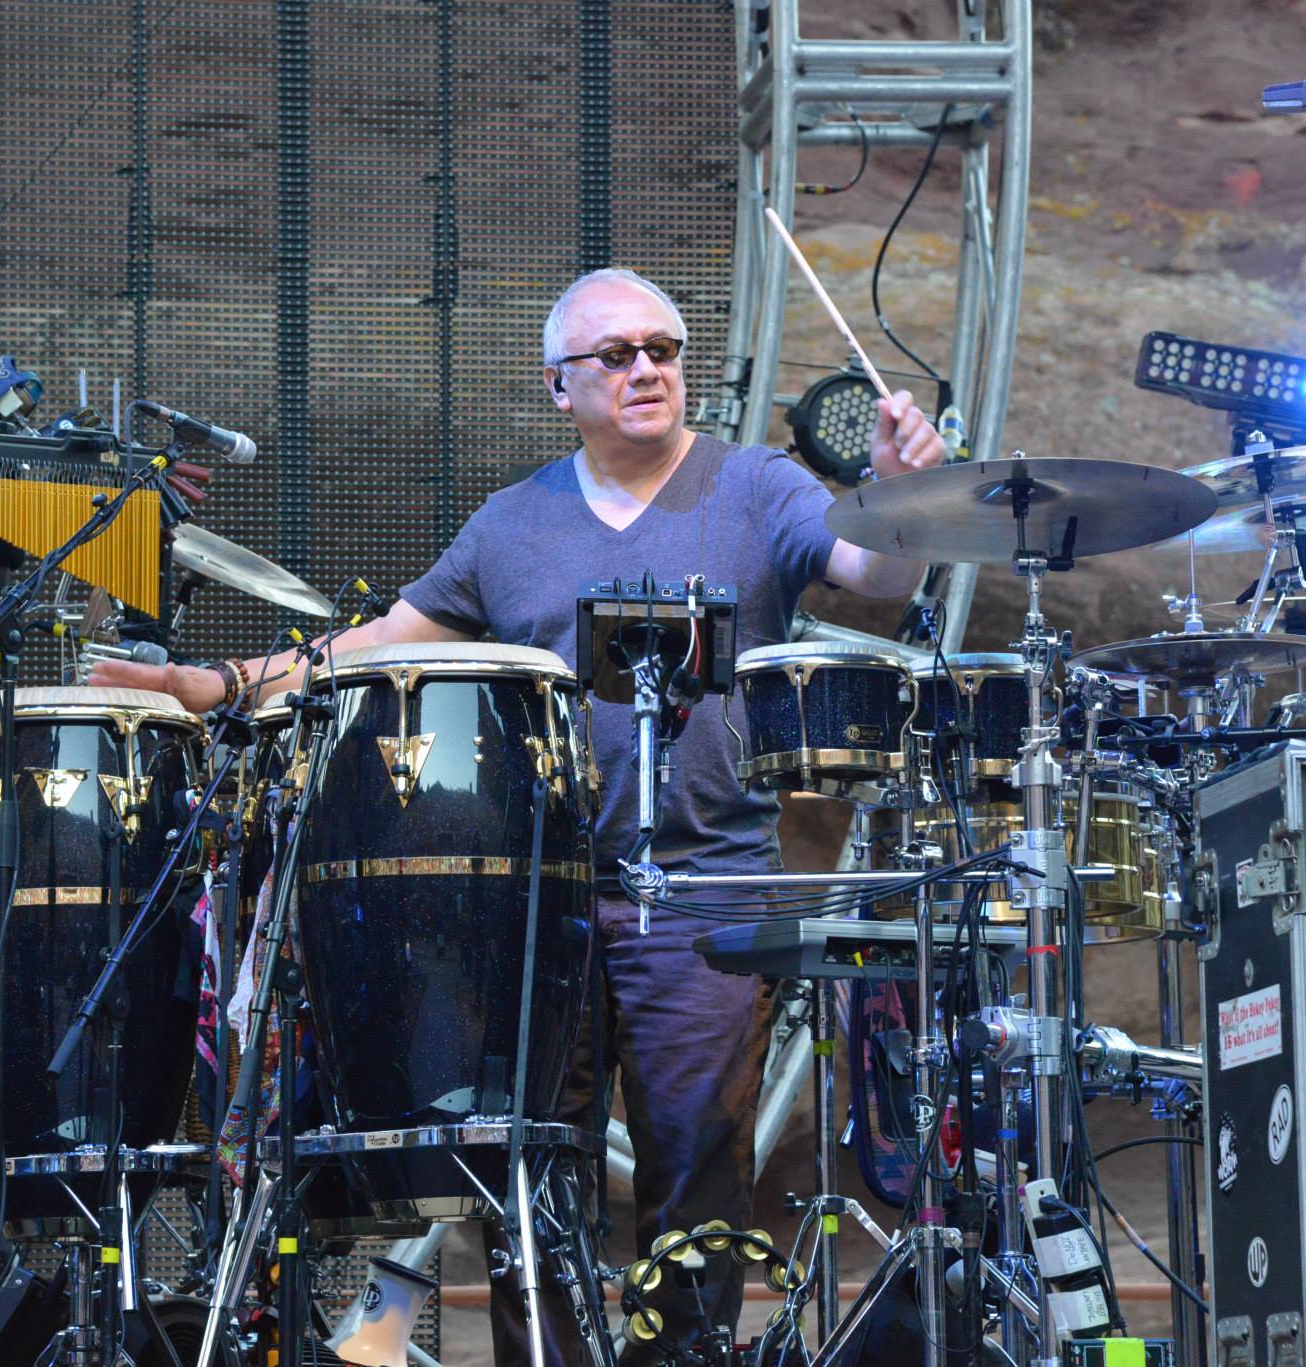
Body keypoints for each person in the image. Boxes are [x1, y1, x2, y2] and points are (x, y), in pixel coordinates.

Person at [91, 267, 946, 1363]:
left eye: (663, 349)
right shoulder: (511, 524)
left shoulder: (757, 485)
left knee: (697, 1175)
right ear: (558, 385)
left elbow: (875, 571)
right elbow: (376, 643)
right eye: (616, 355)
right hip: (537, 904)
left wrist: (900, 492)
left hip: (704, 893)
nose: (647, 369)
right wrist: (210, 685)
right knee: (527, 1178)